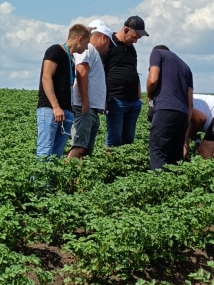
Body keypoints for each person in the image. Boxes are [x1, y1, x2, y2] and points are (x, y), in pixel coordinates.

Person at [36, 24, 90, 158]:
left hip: (66, 112)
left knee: (56, 155)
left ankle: (52, 180)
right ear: (80, 39)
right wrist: (56, 107)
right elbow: (46, 78)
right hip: (50, 110)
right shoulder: (55, 51)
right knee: (45, 153)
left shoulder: (70, 58)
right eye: (86, 43)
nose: (87, 47)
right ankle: (39, 180)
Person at [67, 20, 112, 160]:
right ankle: (65, 176)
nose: (108, 48)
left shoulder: (91, 51)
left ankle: (77, 180)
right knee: (79, 146)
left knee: (84, 150)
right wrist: (85, 102)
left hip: (91, 108)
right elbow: (81, 72)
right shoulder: (89, 49)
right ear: (104, 38)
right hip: (85, 107)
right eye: (109, 43)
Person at [102, 16, 148, 147]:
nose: (135, 41)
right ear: (126, 30)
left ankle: (122, 166)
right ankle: (109, 164)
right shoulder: (109, 43)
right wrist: (103, 98)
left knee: (128, 140)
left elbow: (135, 72)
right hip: (116, 99)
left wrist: (139, 99)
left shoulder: (132, 49)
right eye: (134, 37)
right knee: (114, 140)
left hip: (133, 101)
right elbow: (102, 72)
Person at [146, 45, 193, 171]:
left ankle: (160, 186)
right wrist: (186, 126)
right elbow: (190, 102)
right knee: (175, 156)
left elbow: (152, 80)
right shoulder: (186, 67)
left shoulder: (157, 53)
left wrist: (149, 96)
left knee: (158, 149)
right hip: (182, 114)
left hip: (165, 108)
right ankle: (175, 186)